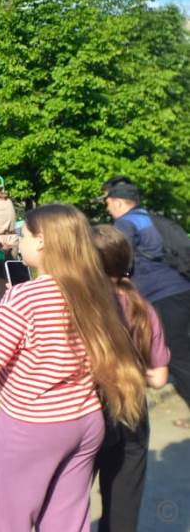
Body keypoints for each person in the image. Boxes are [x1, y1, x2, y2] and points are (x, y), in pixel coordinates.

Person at [0, 204, 147, 531]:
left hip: (35, 423)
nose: (20, 240)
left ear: (43, 241)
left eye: (24, 234)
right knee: (65, 520)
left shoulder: (23, 297)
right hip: (86, 419)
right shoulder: (97, 292)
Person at [91, 225, 170, 532]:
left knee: (68, 501)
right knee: (123, 504)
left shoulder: (84, 306)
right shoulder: (142, 307)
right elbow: (160, 377)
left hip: (89, 406)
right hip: (133, 409)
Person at [103, 180, 190, 426]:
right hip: (181, 289)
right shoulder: (149, 218)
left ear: (119, 202)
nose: (108, 208)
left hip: (161, 296)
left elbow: (120, 259)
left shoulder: (124, 223)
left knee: (179, 357)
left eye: (108, 202)